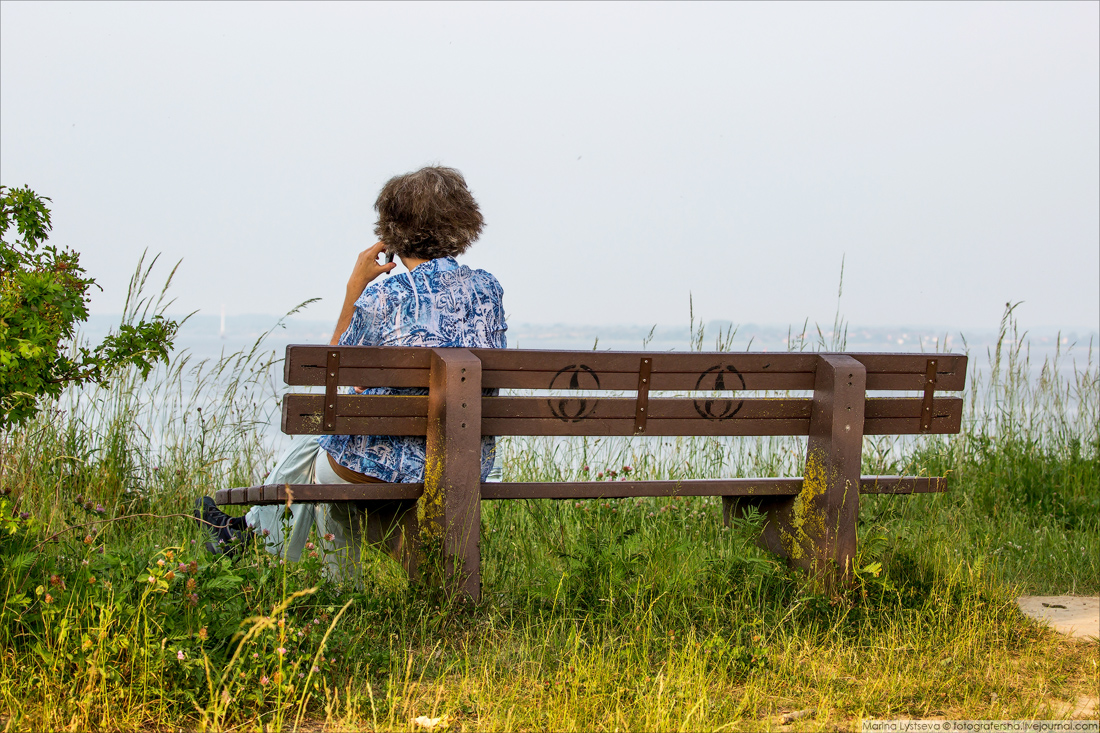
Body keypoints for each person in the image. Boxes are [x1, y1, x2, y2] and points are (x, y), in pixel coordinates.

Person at [195, 166, 507, 579]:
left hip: (391, 464)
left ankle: (280, 560)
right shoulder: (489, 290)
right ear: (464, 223)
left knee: (329, 460)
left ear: (392, 232)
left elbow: (337, 376)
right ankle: (253, 537)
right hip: (466, 459)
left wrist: (353, 289)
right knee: (327, 448)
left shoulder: (385, 295)